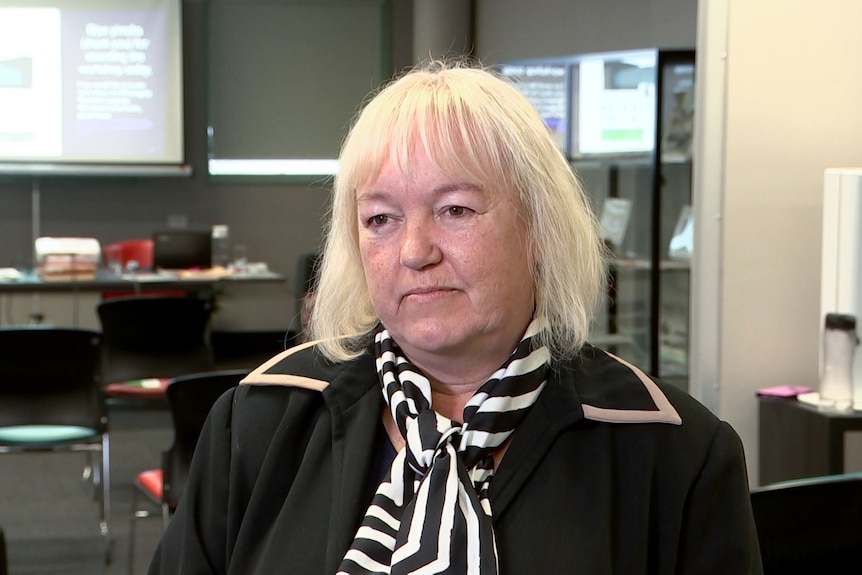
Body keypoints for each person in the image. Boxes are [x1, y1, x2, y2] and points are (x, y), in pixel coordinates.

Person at [148, 59, 762, 574]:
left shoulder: (677, 453)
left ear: (538, 228)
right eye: (380, 218)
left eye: (456, 210)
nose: (415, 251)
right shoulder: (258, 422)